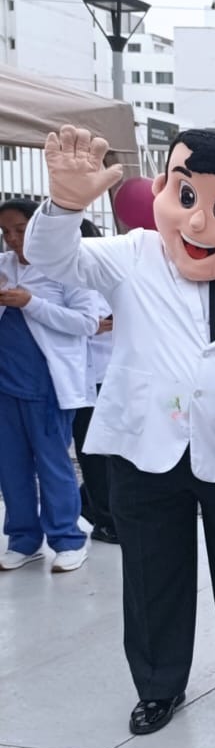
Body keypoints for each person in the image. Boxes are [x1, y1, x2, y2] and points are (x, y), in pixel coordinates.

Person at [26, 126, 215, 736]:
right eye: (187, 196)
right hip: (145, 448)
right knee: (152, 574)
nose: (199, 224)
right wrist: (66, 204)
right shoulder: (134, 255)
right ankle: (158, 685)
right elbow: (52, 260)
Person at [0, 198, 99, 572]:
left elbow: (87, 323)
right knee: (10, 466)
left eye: (20, 230)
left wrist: (30, 302)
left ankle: (68, 538)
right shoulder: (3, 267)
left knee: (53, 463)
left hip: (47, 386)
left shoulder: (66, 269)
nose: (12, 239)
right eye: (5, 232)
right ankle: (23, 539)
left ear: (38, 229)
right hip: (5, 384)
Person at [72, 222, 118, 545]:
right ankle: (101, 516)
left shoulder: (110, 280)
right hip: (83, 379)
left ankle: (96, 508)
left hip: (110, 376)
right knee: (92, 452)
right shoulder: (64, 280)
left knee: (111, 452)